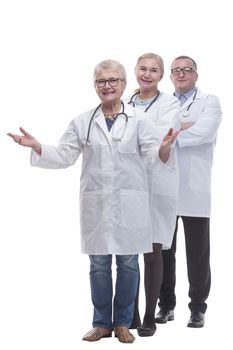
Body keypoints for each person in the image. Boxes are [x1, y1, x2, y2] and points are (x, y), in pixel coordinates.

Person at [8, 59, 178, 343]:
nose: (107, 86)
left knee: (127, 264)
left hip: (129, 204)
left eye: (113, 81)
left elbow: (152, 156)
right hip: (97, 205)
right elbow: (64, 155)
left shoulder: (139, 120)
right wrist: (38, 147)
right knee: (98, 265)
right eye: (101, 81)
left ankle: (123, 323)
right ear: (95, 86)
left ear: (123, 85)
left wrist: (162, 148)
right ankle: (102, 323)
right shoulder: (82, 121)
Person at [155, 55, 222, 328]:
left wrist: (171, 133)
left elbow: (204, 133)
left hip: (194, 189)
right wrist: (184, 128)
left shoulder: (210, 102)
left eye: (187, 70)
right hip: (163, 187)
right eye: (176, 71)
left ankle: (197, 308)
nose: (181, 74)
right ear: (170, 76)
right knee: (163, 252)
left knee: (198, 253)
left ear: (196, 75)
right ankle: (166, 306)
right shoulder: (161, 103)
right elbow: (150, 133)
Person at [124, 53, 180, 336]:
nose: (147, 74)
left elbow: (161, 136)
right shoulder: (126, 103)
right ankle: (130, 313)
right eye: (143, 69)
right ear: (135, 71)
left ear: (161, 76)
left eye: (154, 70)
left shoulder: (170, 103)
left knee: (154, 248)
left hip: (159, 182)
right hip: (132, 182)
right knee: (131, 250)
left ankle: (148, 315)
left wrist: (136, 133)